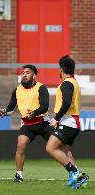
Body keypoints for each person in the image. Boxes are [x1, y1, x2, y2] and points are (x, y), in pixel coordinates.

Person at [0, 64, 75, 183]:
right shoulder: (17, 90)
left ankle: (74, 171)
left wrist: (34, 113)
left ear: (34, 75)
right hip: (27, 125)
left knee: (61, 147)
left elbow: (45, 107)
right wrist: (5, 111)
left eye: (27, 72)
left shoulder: (41, 88)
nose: (24, 75)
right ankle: (19, 175)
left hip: (43, 123)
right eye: (23, 72)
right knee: (20, 146)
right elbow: (11, 108)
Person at [46, 55, 89, 189]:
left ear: (61, 69)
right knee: (64, 153)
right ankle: (79, 179)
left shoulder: (66, 83)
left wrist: (56, 118)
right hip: (73, 122)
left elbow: (67, 102)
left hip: (68, 122)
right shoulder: (74, 82)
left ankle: (75, 173)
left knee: (50, 148)